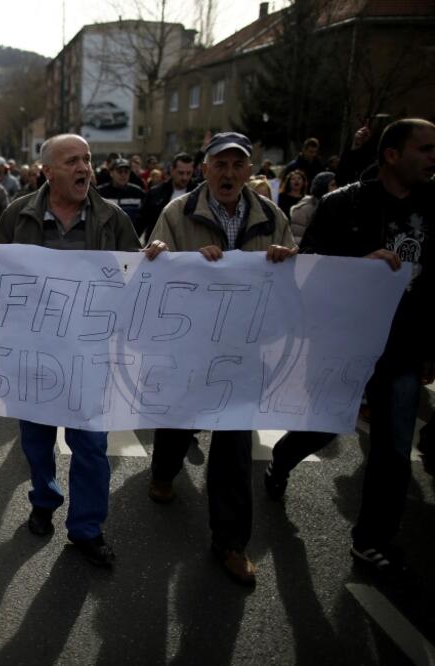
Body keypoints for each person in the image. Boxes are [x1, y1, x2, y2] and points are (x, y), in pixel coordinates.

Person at [264, 119, 434, 577]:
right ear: (392, 155)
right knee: (324, 428)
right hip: (344, 341)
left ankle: (371, 539)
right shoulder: (343, 204)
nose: (433, 157)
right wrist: (361, 266)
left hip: (402, 346)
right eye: (425, 148)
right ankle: (281, 458)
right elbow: (312, 271)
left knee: (395, 449)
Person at [146, 131, 297, 585]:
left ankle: (231, 542)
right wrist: (177, 259)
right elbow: (156, 266)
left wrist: (285, 259)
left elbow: (293, 279)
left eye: (238, 164)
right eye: (220, 164)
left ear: (250, 170)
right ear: (204, 168)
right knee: (179, 418)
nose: (229, 173)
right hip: (191, 342)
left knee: (233, 443)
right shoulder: (178, 212)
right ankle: (164, 469)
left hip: (243, 348)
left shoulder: (272, 216)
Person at [0, 133, 141, 567]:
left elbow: (133, 277)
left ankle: (87, 528)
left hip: (88, 355)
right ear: (47, 171)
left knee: (91, 445)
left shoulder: (111, 218)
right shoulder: (16, 214)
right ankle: (44, 498)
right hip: (33, 353)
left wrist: (154, 261)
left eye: (87, 160)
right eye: (72, 161)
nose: (84, 169)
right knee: (37, 441)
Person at [138, 152, 196, 241]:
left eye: (189, 173)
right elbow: (141, 222)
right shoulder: (155, 193)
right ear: (172, 171)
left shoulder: (199, 193)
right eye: (181, 173)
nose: (185, 177)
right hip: (158, 246)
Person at [96, 157, 146, 236]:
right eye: (120, 171)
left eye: (126, 172)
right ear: (111, 173)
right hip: (106, 238)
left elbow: (143, 218)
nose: (123, 175)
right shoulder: (100, 192)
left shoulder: (138, 193)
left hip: (130, 239)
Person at [288, 170, 336, 244]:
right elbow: (296, 239)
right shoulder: (303, 210)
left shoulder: (338, 207)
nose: (337, 188)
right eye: (333, 185)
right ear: (322, 186)